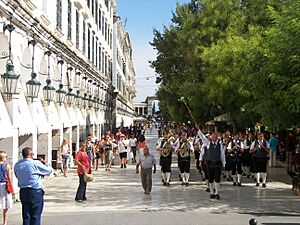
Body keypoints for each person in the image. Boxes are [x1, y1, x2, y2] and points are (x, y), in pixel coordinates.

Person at [14, 147, 53, 225]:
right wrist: (45, 163)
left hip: (23, 190)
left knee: (26, 215)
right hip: (35, 191)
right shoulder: (35, 163)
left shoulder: (17, 164)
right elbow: (49, 170)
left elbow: (17, 175)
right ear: (31, 155)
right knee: (35, 215)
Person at [198, 129, 226, 200]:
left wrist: (223, 163)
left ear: (217, 137)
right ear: (210, 137)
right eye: (212, 137)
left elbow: (222, 154)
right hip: (209, 163)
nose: (214, 138)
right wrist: (198, 129)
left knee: (217, 178)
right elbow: (202, 137)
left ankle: (216, 192)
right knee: (210, 178)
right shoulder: (207, 143)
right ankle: (211, 192)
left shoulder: (220, 145)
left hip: (217, 163)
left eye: (215, 137)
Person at [0, 151, 13, 225]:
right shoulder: (7, 166)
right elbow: (9, 177)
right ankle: (5, 222)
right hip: (4, 185)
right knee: (6, 205)